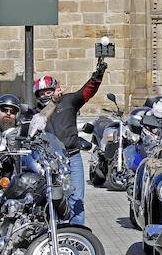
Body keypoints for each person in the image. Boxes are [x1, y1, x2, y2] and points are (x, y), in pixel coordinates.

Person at [30, 58, 107, 225]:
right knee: (53, 197)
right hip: (49, 161)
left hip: (72, 157)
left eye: (48, 91)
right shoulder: (37, 112)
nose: (45, 95)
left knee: (77, 197)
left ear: (56, 89)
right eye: (41, 93)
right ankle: (56, 231)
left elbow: (87, 91)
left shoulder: (69, 100)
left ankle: (78, 233)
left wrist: (97, 76)